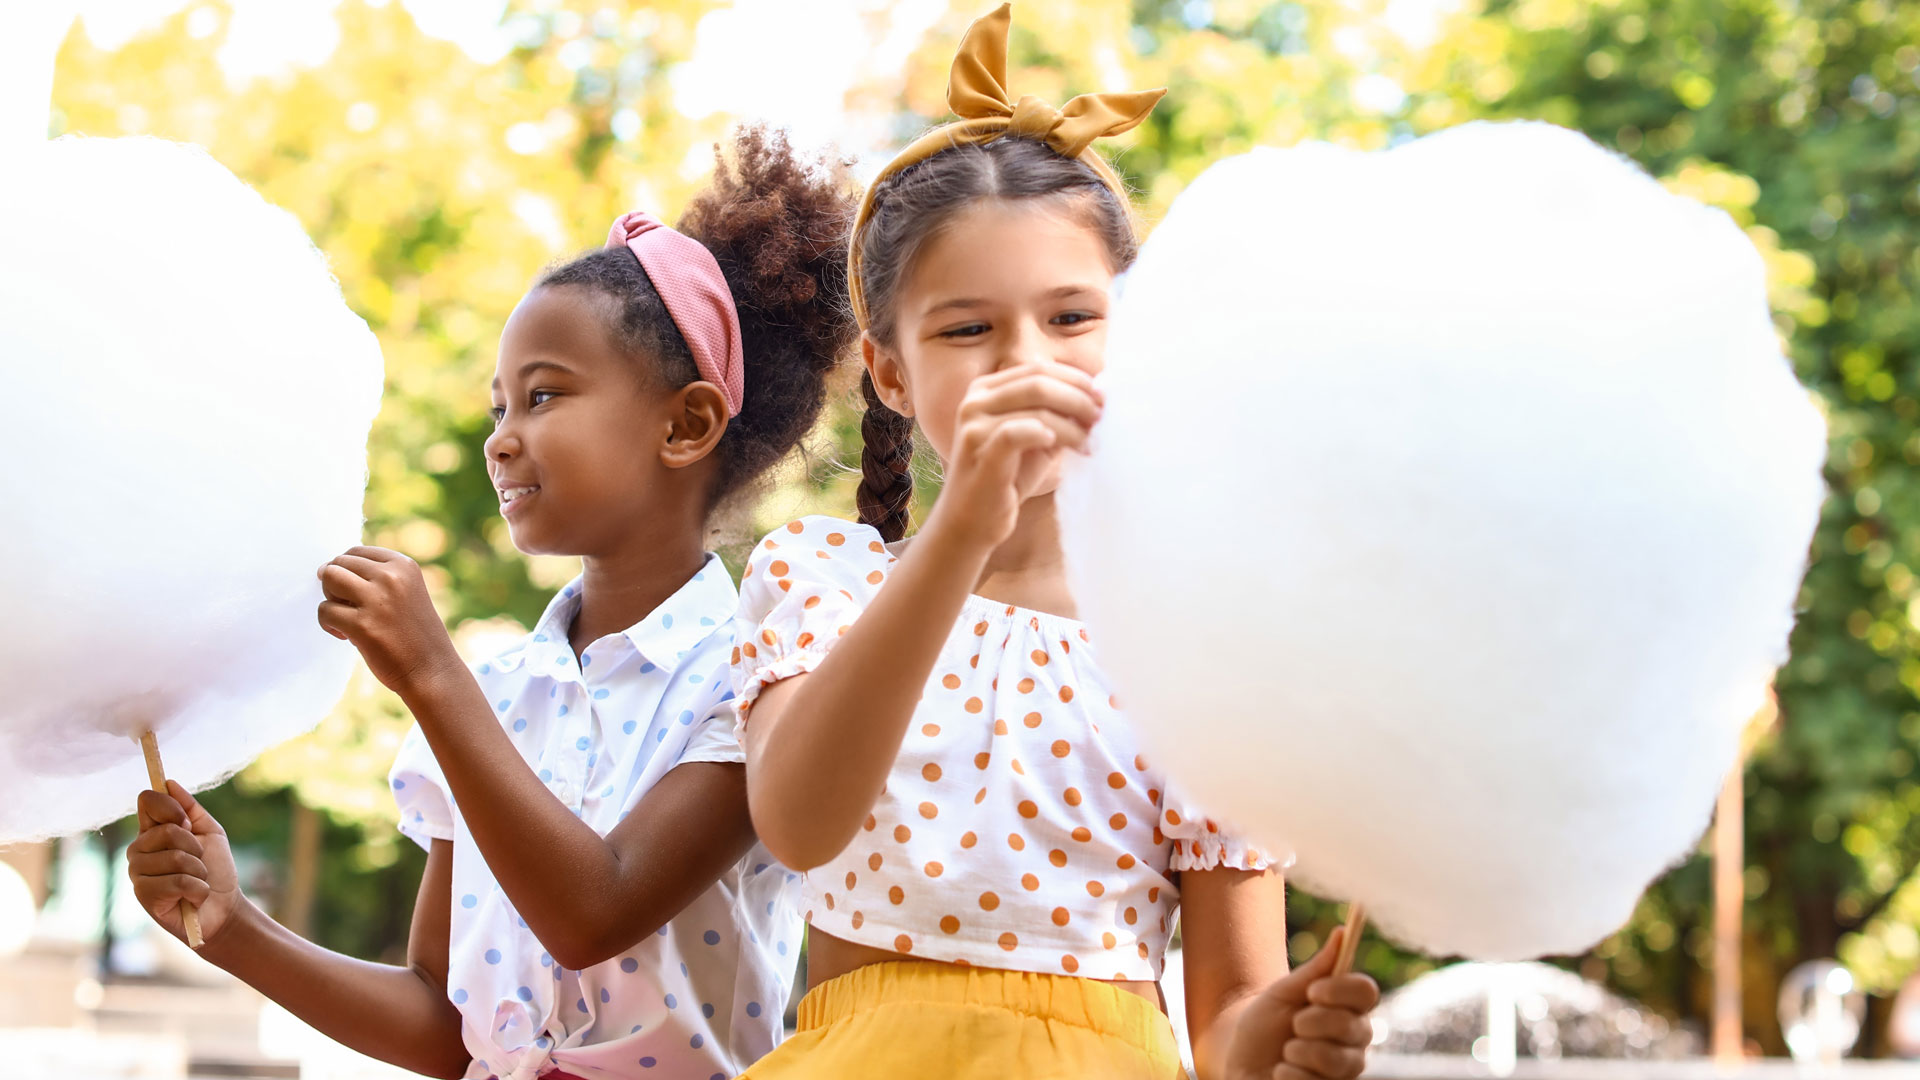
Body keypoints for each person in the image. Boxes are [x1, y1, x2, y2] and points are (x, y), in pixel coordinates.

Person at [728, 8, 1380, 1079]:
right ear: (891, 374)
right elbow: (799, 823)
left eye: (1074, 317)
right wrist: (962, 531)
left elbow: (1227, 1019)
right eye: (967, 328)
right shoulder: (821, 576)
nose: (1025, 358)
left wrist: (1270, 1038)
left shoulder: (1199, 652)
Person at [128, 125, 857, 1080]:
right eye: (497, 408)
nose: (501, 440)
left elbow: (599, 910)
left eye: (544, 397)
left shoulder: (763, 677)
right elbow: (442, 1027)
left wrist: (429, 675)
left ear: (685, 424)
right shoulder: (497, 693)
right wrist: (231, 930)